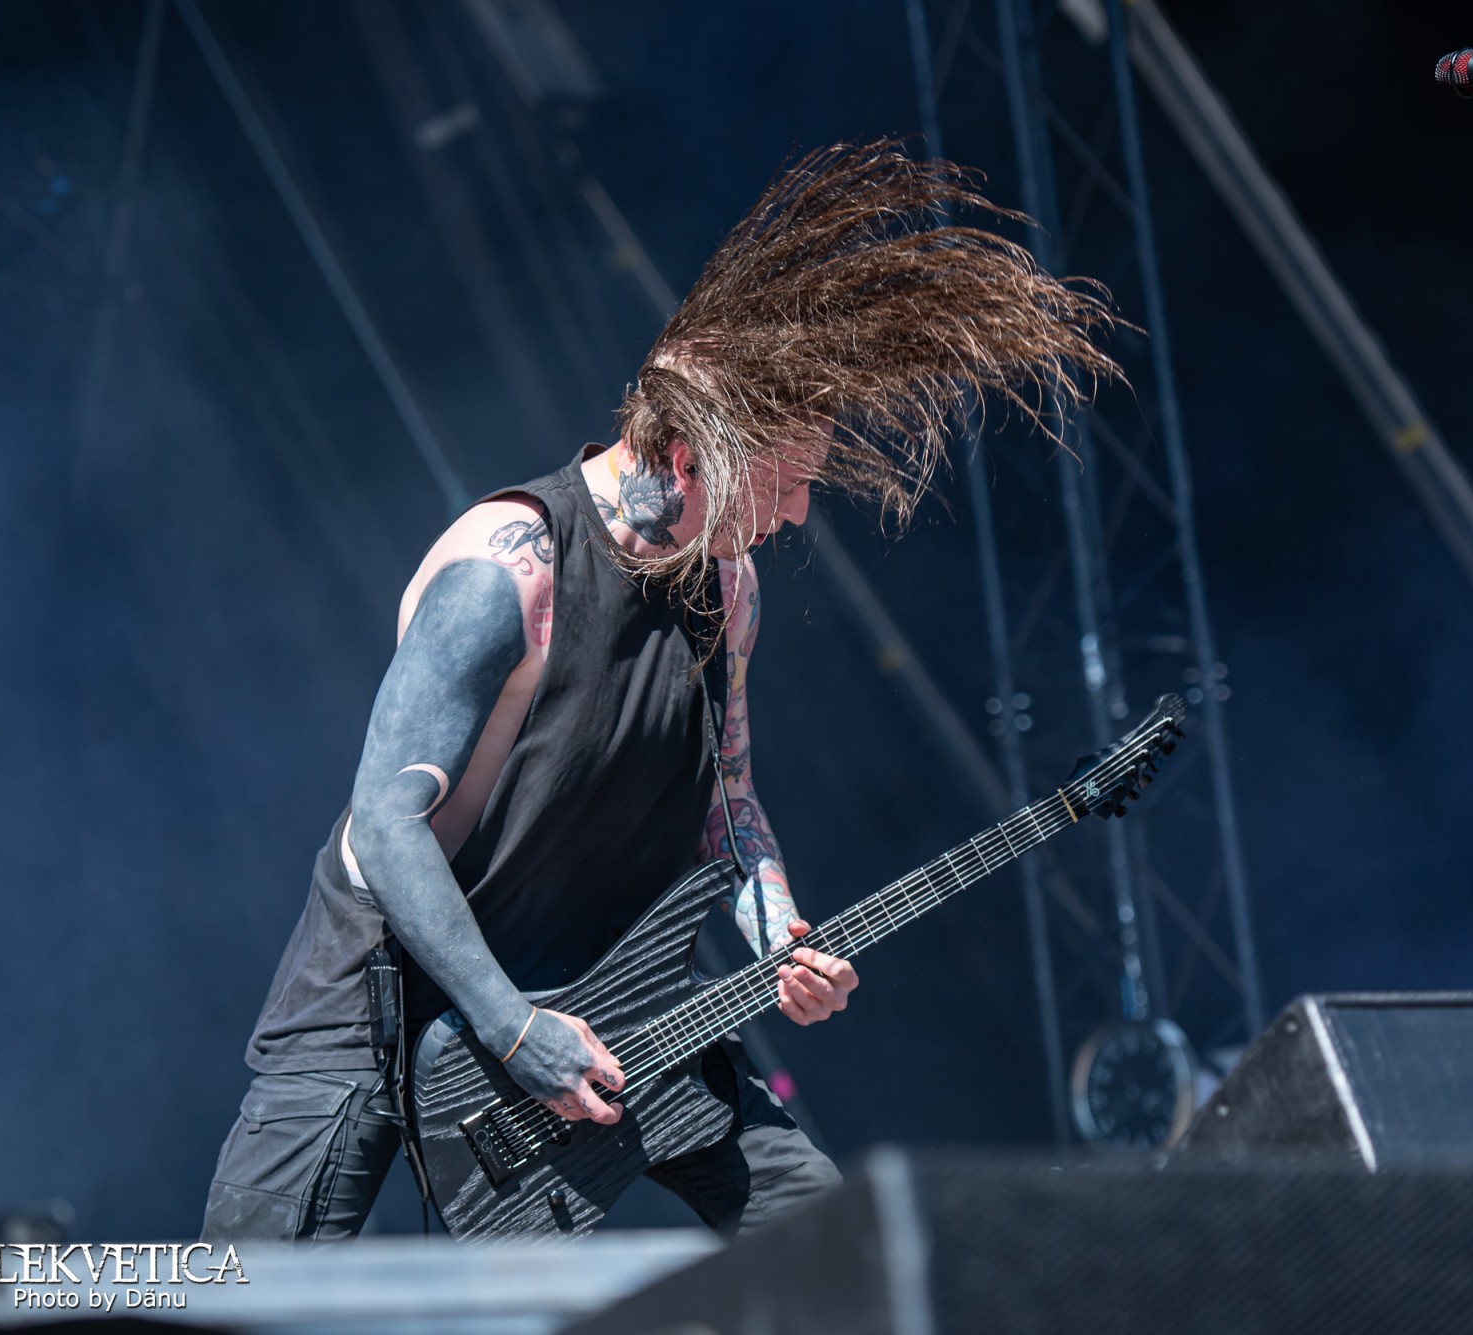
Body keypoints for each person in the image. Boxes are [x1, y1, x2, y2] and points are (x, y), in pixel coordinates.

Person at [200, 140, 1116, 1240]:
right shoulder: (507, 572)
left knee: (823, 1241)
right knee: (249, 1288)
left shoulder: (726, 587)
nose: (795, 516)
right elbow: (386, 828)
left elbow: (729, 796)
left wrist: (778, 935)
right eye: (784, 483)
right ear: (691, 462)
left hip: (593, 985)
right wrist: (508, 1025)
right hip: (382, 993)